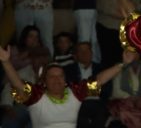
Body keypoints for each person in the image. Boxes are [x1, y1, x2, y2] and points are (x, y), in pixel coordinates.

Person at [0, 44, 133, 128]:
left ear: (65, 80)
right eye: (52, 76)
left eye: (60, 76)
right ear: (44, 81)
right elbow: (17, 83)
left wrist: (123, 64)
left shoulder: (75, 92)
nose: (57, 80)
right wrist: (6, 62)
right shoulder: (37, 94)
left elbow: (99, 79)